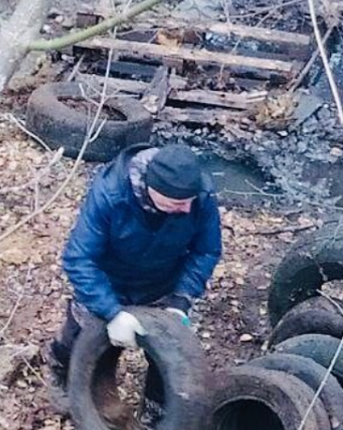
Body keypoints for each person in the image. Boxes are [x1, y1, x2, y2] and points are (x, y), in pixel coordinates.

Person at [42, 144, 222, 412]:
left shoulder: (200, 198)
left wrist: (181, 299)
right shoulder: (111, 194)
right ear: (152, 189)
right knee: (78, 333)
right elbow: (78, 258)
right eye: (176, 203)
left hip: (162, 283)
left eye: (189, 202)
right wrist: (111, 311)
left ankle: (155, 409)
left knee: (170, 352)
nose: (186, 210)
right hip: (108, 282)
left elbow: (206, 250)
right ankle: (60, 373)